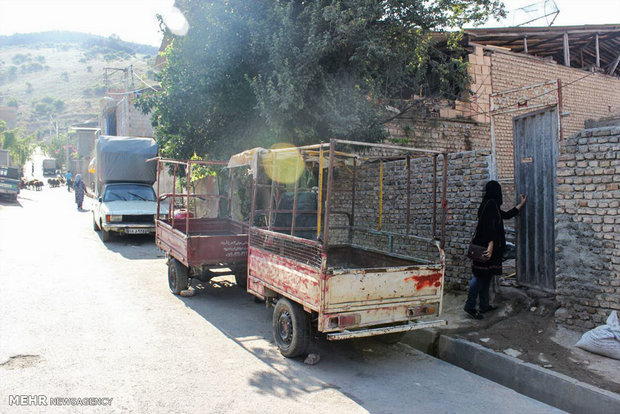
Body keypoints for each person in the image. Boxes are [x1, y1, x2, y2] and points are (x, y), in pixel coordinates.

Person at [464, 180, 527, 319]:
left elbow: (505, 215)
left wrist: (520, 206)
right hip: (486, 248)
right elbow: (488, 227)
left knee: (486, 277)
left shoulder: (489, 204)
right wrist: (491, 245)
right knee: (479, 277)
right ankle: (470, 306)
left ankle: (484, 305)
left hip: (486, 246)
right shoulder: (491, 204)